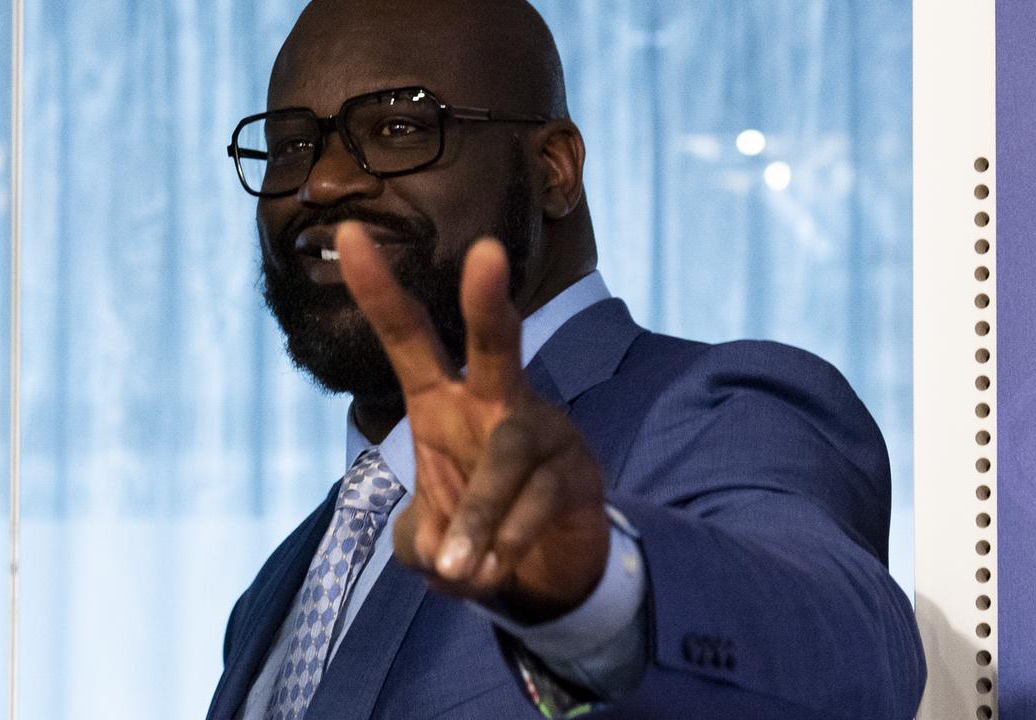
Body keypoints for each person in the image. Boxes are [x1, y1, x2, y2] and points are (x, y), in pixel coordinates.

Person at [206, 1, 926, 718]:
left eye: (399, 126)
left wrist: (598, 591)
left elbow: (855, 660)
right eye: (293, 144)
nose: (322, 183)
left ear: (553, 169)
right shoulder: (279, 589)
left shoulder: (718, 410)